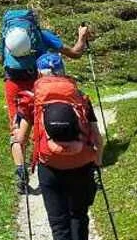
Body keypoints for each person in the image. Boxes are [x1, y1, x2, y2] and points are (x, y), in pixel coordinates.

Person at [12, 53, 103, 240]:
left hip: (50, 166)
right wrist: (97, 164)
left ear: (39, 74)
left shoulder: (32, 99)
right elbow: (97, 138)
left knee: (59, 224)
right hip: (81, 165)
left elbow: (20, 140)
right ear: (63, 71)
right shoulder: (80, 97)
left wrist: (20, 165)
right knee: (79, 216)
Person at [0, 7, 92, 187]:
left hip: (13, 84)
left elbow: (2, 60)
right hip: (39, 83)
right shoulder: (43, 35)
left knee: (17, 127)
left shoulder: (6, 36)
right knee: (44, 120)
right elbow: (75, 53)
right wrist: (82, 36)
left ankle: (20, 171)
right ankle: (53, 160)